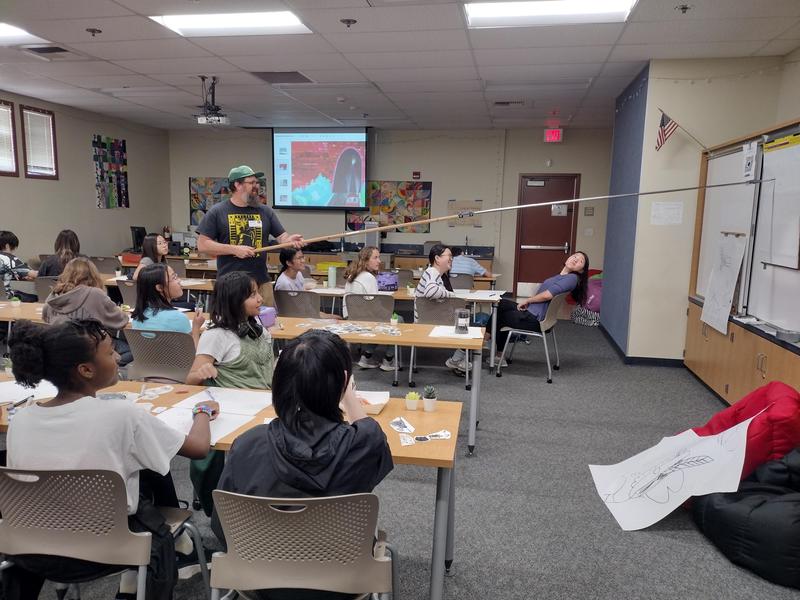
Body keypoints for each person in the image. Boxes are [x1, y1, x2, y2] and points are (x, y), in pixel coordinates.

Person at [3, 318, 219, 600]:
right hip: (107, 547)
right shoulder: (121, 414)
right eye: (109, 352)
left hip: (31, 547)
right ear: (86, 370)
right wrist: (202, 411)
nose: (119, 356)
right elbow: (199, 448)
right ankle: (157, 565)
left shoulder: (21, 419)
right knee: (146, 475)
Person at [211, 330, 393, 600]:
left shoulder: (247, 444)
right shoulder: (364, 445)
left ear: (279, 383)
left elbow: (221, 526)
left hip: (260, 580)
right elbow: (366, 427)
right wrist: (348, 393)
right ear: (343, 382)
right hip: (344, 581)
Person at [196, 165, 304, 304]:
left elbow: (282, 237)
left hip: (261, 283)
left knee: (267, 323)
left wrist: (290, 240)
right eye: (251, 182)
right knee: (232, 324)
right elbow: (202, 244)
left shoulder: (265, 211)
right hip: (231, 285)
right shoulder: (217, 212)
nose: (256, 186)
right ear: (237, 184)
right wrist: (234, 249)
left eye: (257, 182)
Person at [495, 251, 589, 362]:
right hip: (532, 313)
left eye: (580, 261)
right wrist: (529, 304)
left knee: (500, 315)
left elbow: (547, 295)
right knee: (501, 304)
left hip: (535, 319)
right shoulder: (561, 276)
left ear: (581, 270)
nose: (575, 259)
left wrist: (528, 300)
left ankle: (490, 351)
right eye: (575, 256)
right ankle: (494, 351)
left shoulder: (572, 278)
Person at [186, 271, 273, 389]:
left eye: (258, 293)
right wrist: (201, 373)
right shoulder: (216, 335)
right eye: (253, 295)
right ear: (235, 300)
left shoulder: (255, 326)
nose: (260, 299)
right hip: (236, 404)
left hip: (266, 400)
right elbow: (190, 379)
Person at [43, 257, 132, 365]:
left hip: (61, 349)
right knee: (133, 350)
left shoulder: (54, 295)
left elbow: (46, 317)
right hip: (90, 349)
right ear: (93, 275)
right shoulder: (95, 294)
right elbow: (120, 321)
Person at [414, 244, 471, 373]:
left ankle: (457, 360)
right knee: (468, 321)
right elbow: (431, 291)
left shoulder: (434, 274)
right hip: (436, 324)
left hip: (426, 322)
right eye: (449, 256)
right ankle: (456, 360)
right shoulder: (432, 273)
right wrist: (450, 295)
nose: (452, 259)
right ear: (437, 259)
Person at [343, 246, 395, 371]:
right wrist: (390, 314)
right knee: (398, 321)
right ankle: (388, 361)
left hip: (350, 318)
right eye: (375, 258)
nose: (379, 261)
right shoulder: (369, 277)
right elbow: (375, 308)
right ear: (366, 261)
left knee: (381, 320)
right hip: (366, 320)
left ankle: (366, 357)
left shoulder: (352, 276)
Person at [132, 263, 205, 346]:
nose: (179, 281)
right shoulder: (178, 318)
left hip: (145, 359)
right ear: (160, 287)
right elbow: (192, 354)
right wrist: (196, 328)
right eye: (174, 278)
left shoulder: (137, 317)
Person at [0, 230, 37, 301]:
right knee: (36, 298)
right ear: (7, 246)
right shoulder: (9, 258)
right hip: (6, 298)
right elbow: (34, 274)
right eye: (14, 248)